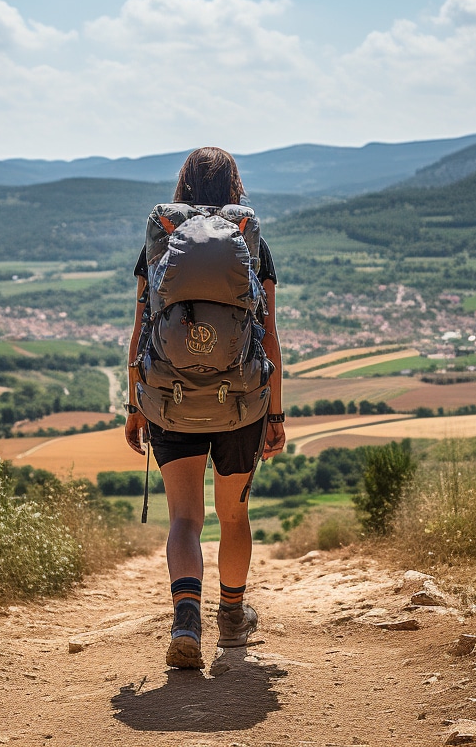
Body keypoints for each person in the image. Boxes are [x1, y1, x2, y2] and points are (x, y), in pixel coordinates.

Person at [124, 146, 286, 669]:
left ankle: (185, 619)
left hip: (169, 397)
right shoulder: (248, 242)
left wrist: (134, 405)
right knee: (232, 514)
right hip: (241, 401)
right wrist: (276, 415)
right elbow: (269, 336)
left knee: (185, 518)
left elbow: (141, 331)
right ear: (235, 186)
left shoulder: (164, 238)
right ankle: (233, 619)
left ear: (183, 185)